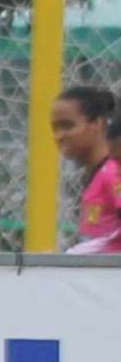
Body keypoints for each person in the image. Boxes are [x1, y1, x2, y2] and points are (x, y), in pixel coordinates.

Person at [51, 84, 121, 254]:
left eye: (68, 126)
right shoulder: (95, 175)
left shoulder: (112, 172)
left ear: (98, 124)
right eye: (54, 128)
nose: (59, 135)